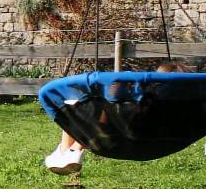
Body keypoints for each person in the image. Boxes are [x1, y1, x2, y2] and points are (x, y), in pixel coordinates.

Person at [44, 62, 191, 175]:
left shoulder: (148, 104)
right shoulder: (193, 108)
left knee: (79, 109)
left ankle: (69, 151)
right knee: (89, 110)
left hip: (124, 140)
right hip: (164, 142)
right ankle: (69, 152)